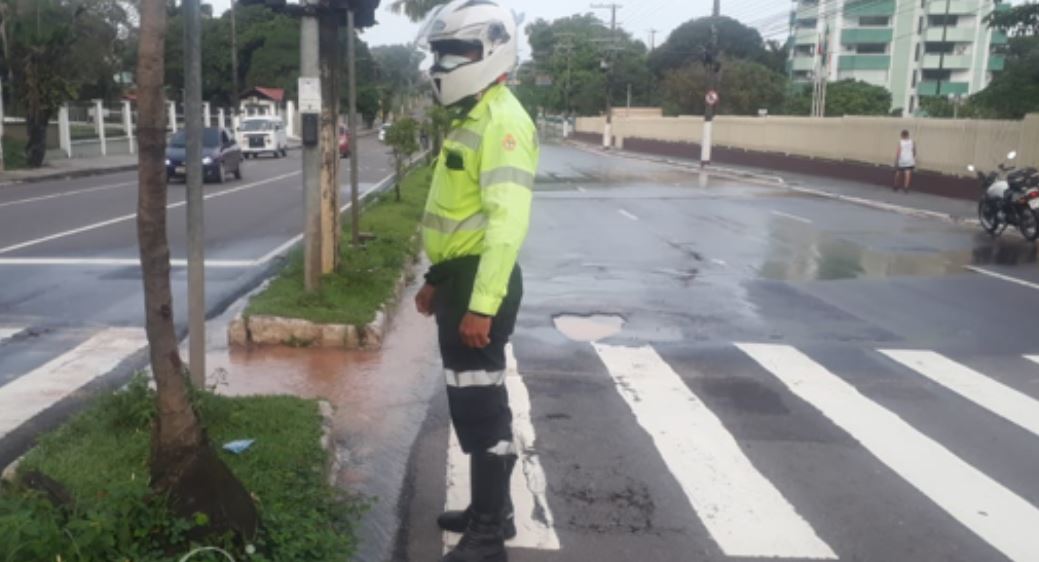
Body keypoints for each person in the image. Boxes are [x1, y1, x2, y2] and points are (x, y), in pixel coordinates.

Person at [413, 2, 538, 561]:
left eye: (454, 52)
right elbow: (459, 217)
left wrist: (481, 306)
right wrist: (436, 280)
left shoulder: (504, 122)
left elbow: (506, 225)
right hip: (460, 281)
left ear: (492, 50)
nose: (443, 63)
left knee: (483, 407)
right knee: (469, 403)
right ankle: (495, 509)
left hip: (482, 286)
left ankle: (490, 531)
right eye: (440, 52)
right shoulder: (474, 116)